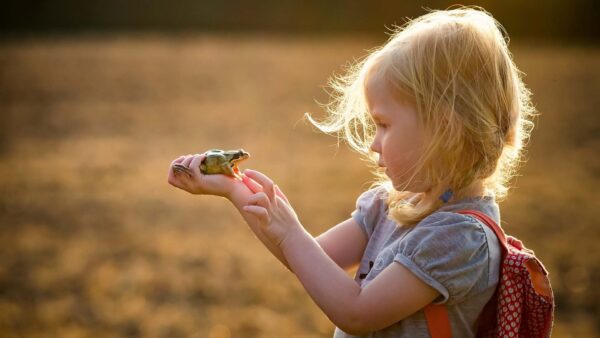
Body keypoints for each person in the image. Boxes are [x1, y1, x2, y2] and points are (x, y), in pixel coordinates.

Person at [167, 6, 537, 337]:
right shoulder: (388, 206)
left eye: (384, 125)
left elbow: (358, 313)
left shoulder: (459, 239)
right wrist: (235, 188)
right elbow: (310, 258)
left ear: (445, 128)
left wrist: (289, 229)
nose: (374, 143)